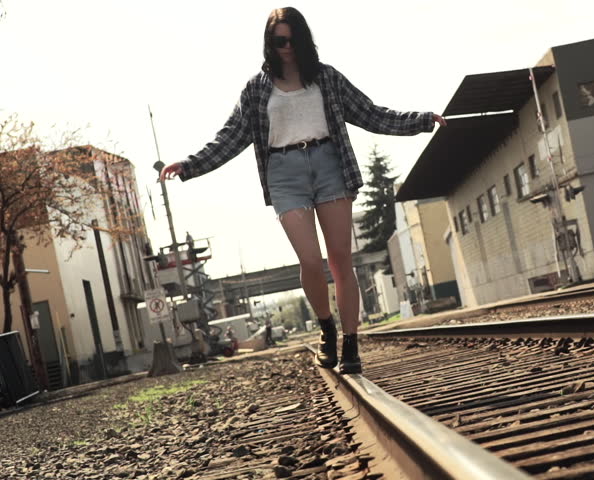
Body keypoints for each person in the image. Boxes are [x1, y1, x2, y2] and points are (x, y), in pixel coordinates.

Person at [159, 7, 445, 374]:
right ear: (270, 43)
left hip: (330, 165)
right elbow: (231, 136)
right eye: (280, 40)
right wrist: (190, 164)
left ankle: (351, 345)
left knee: (340, 258)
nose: (287, 47)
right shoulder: (256, 89)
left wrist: (419, 121)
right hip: (284, 172)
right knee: (311, 260)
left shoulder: (326, 78)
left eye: (294, 40)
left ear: (304, 40)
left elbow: (371, 114)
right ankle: (327, 326)